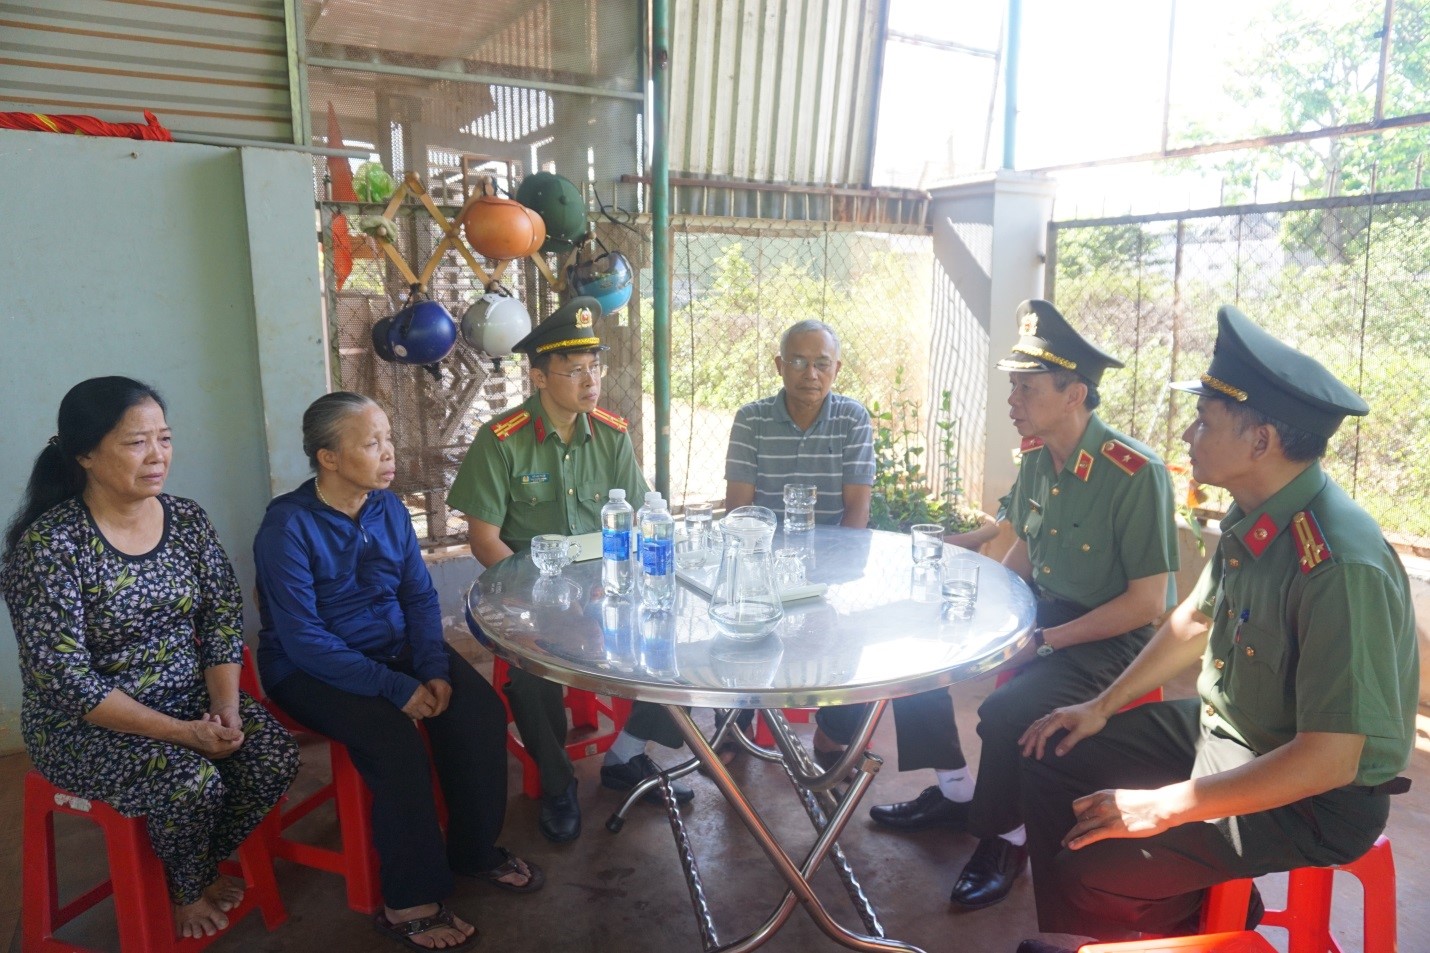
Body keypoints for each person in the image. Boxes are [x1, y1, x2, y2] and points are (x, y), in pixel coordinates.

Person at [1012, 306, 1417, 952]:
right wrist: (1100, 705)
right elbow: (1197, 617)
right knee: (1051, 750)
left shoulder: (1338, 564)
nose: (1187, 433)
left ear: (1261, 442)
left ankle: (1185, 921)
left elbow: (1329, 759)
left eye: (1204, 420)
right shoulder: (1255, 514)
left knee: (1091, 863)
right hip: (1227, 732)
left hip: (1315, 796)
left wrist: (1161, 806)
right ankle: (1151, 920)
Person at [860, 300, 1179, 914]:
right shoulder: (1037, 459)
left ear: (1073, 394)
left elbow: (1146, 605)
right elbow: (1026, 552)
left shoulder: (1135, 473)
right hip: (1042, 614)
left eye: (1026, 388)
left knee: (1006, 712)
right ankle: (957, 790)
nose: (1012, 400)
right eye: (1014, 387)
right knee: (916, 653)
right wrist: (981, 607)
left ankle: (1006, 840)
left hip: (1109, 638)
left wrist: (1046, 641)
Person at [1, 376, 299, 939]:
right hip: (83, 727)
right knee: (189, 781)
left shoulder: (185, 519)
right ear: (85, 454)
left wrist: (225, 707)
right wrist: (183, 734)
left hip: (185, 699)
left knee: (270, 754)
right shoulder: (52, 548)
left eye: (164, 438)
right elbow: (67, 681)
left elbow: (220, 616)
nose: (157, 455)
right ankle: (186, 885)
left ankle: (186, 863)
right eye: (136, 442)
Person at [254, 392, 541, 953]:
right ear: (328, 457)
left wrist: (432, 667)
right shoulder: (287, 526)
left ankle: (473, 850)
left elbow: (416, 594)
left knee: (479, 713)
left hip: (394, 648)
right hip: (309, 669)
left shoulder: (387, 508)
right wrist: (395, 687)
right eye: (371, 443)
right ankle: (408, 899)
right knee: (393, 741)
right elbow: (303, 638)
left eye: (388, 439)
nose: (389, 454)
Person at [447, 296, 694, 845]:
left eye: (595, 368)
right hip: (533, 596)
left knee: (677, 641)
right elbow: (483, 539)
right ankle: (557, 783)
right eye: (575, 370)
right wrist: (538, 594)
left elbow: (637, 516)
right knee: (531, 674)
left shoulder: (611, 434)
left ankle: (627, 753)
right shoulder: (502, 440)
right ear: (539, 377)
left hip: (608, 591)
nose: (591, 381)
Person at [722, 319, 876, 759]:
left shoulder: (852, 418)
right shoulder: (752, 419)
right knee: (738, 626)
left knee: (857, 633)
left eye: (822, 364)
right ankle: (733, 727)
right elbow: (739, 511)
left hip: (834, 564)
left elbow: (857, 511)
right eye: (798, 362)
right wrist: (758, 578)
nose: (811, 374)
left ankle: (832, 733)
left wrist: (829, 582)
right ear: (779, 366)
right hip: (764, 563)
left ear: (836, 369)